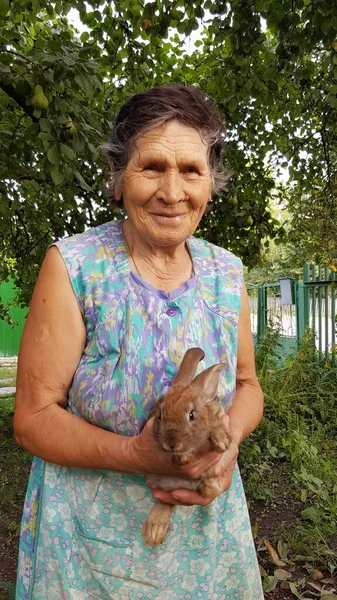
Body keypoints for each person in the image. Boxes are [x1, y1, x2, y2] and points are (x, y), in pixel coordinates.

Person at [14, 84, 264, 599]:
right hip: (87, 550)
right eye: (152, 167)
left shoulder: (227, 273)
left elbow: (246, 384)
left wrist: (227, 442)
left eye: (191, 170)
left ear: (210, 183)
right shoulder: (75, 266)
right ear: (117, 177)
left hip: (207, 543)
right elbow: (33, 418)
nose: (172, 192)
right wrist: (136, 453)